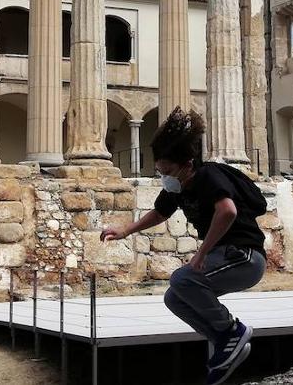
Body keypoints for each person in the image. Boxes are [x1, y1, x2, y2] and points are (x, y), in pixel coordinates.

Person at [101, 108, 267, 384]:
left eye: (166, 171)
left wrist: (201, 254)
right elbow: (160, 213)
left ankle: (232, 331)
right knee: (174, 297)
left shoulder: (208, 176)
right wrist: (126, 230)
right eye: (160, 171)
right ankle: (225, 346)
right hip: (228, 257)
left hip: (245, 257)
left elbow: (227, 211)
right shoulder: (178, 188)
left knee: (182, 277)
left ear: (187, 164)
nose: (163, 177)